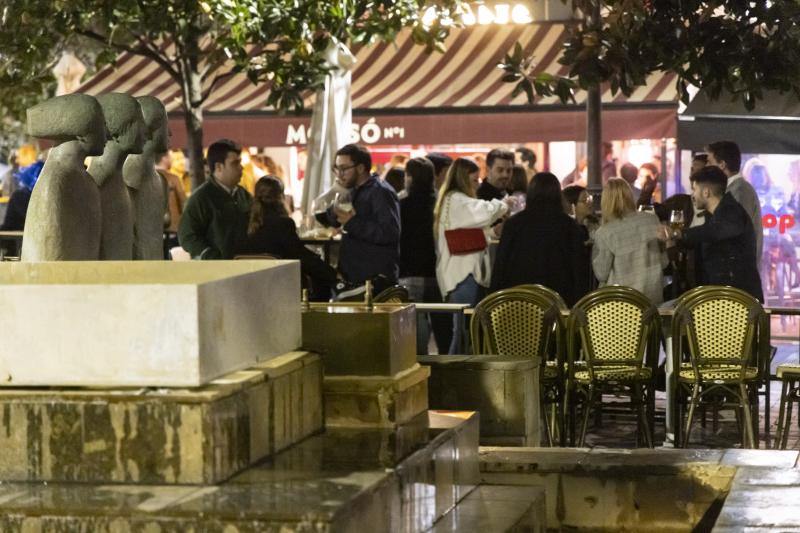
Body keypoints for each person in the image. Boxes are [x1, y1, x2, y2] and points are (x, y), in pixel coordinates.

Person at [434, 157, 509, 353]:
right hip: (463, 275)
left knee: (464, 330)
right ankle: (452, 375)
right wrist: (504, 204)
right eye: (474, 180)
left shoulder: (450, 200)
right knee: (462, 331)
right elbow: (484, 212)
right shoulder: (458, 200)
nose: (477, 184)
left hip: (460, 274)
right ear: (463, 179)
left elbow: (465, 235)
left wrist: (492, 233)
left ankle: (456, 374)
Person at [660, 166, 763, 302]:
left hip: (737, 299)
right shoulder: (715, 215)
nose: (693, 196)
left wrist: (678, 233)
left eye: (695, 190)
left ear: (706, 192)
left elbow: (713, 232)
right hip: (723, 296)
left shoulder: (731, 212)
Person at [491, 172, 589, 306]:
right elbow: (578, 270)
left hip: (518, 301)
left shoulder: (513, 225)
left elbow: (501, 266)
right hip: (559, 302)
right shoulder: (569, 226)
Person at [241, 176, 337, 301]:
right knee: (320, 280)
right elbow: (299, 255)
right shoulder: (283, 223)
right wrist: (331, 273)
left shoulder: (241, 221)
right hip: (280, 288)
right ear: (280, 196)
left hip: (247, 286)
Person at [326, 143, 400, 284]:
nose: (339, 174)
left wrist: (351, 222)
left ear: (360, 168)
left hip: (374, 280)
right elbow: (333, 220)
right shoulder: (352, 190)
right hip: (353, 276)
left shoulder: (380, 191)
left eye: (344, 169)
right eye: (337, 169)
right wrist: (335, 204)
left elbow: (389, 233)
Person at [399, 157, 450, 354]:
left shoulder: (401, 203)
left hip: (408, 271)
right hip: (438, 272)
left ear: (409, 177)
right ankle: (445, 365)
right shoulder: (440, 205)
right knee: (442, 322)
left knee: (415, 323)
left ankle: (420, 364)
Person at [593, 178, 666, 304]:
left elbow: (601, 274)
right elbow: (664, 262)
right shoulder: (652, 220)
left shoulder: (605, 232)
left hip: (621, 305)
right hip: (653, 300)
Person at [178, 139, 252, 259]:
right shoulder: (201, 198)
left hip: (246, 267)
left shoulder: (244, 195)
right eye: (235, 163)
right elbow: (187, 236)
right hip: (217, 271)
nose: (241, 168)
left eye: (240, 162)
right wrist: (209, 254)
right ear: (218, 167)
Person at [705, 140, 763, 262]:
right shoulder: (733, 189)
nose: (706, 167)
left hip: (739, 273)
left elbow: (734, 232)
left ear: (722, 165)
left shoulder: (740, 191)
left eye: (710, 162)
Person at [156, 150, 187, 257]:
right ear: (164, 158)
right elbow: (184, 204)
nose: (172, 160)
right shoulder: (173, 179)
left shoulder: (145, 179)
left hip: (152, 233)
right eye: (170, 157)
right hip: (173, 230)